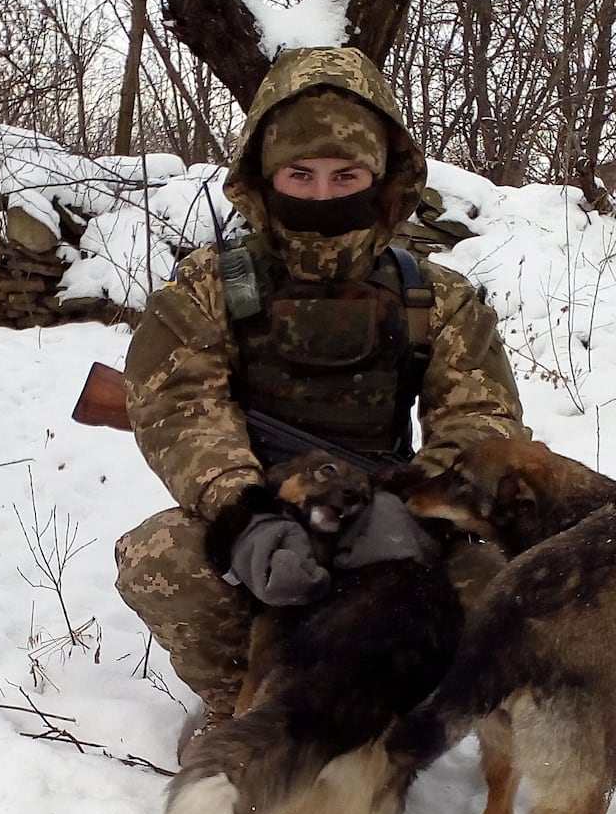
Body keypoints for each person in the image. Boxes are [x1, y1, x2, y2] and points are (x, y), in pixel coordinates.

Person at [115, 46, 526, 741]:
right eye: (299, 174)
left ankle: (388, 713)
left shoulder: (434, 296)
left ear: (382, 178)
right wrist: (244, 515)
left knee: (500, 583)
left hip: (389, 510)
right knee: (161, 556)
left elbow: (483, 420)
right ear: (264, 176)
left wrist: (415, 511)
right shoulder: (211, 286)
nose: (323, 195)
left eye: (346, 175)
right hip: (264, 503)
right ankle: (241, 711)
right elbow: (179, 405)